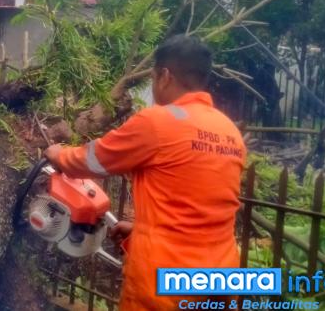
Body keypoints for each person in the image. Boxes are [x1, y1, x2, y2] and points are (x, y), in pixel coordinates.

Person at [44, 35, 246, 310]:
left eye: (152, 79)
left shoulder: (158, 121)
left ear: (164, 76)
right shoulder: (228, 131)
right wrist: (141, 230)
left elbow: (95, 160)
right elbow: (197, 207)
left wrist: (58, 155)